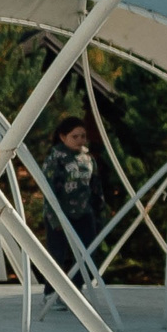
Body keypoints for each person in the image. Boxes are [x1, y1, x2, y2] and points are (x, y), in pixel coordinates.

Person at [48, 117, 102, 278]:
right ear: (63, 137)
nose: (80, 140)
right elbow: (49, 188)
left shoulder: (87, 159)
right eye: (75, 136)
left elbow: (95, 187)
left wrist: (98, 213)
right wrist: (55, 218)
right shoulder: (56, 158)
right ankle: (52, 294)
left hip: (84, 213)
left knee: (87, 253)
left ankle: (77, 289)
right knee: (57, 256)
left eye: (83, 136)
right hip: (60, 214)